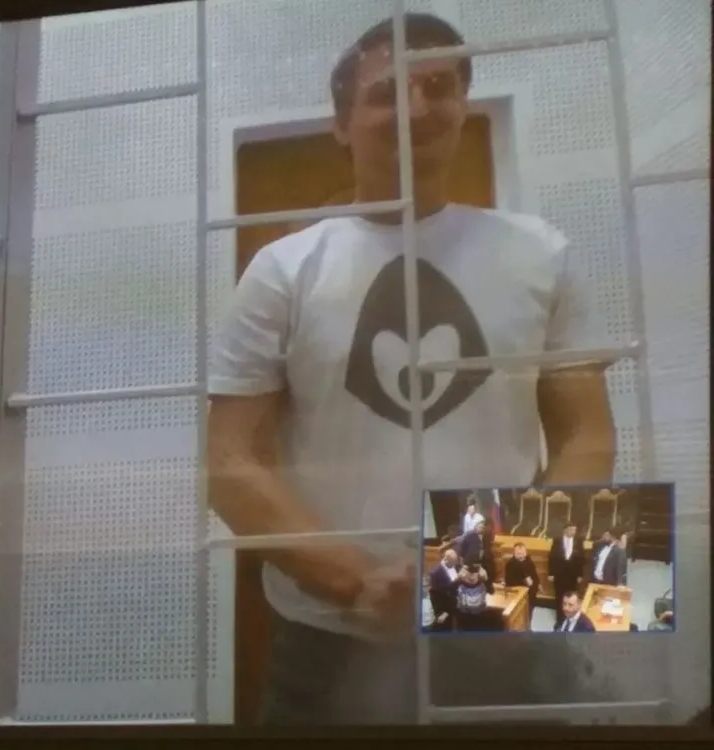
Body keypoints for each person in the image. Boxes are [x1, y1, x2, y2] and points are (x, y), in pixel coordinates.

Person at [206, 12, 615, 725]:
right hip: (327, 637)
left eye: (439, 87)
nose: (417, 108)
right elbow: (227, 463)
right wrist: (362, 583)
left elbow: (589, 437)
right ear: (341, 123)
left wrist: (474, 584)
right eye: (388, 91)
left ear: (464, 105)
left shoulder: (541, 253)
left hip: (507, 625)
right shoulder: (281, 268)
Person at [548, 521, 586, 626]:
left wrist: (580, 574)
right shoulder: (557, 541)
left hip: (572, 575)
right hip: (559, 574)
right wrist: (551, 573)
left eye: (575, 530)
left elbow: (581, 559)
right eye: (571, 530)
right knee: (559, 596)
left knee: (571, 597)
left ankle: (570, 619)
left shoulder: (579, 541)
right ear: (565, 530)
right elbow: (552, 557)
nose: (573, 532)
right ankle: (559, 620)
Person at [427, 548, 461, 631]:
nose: (454, 564)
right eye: (452, 562)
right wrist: (442, 613)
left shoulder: (456, 567)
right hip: (447, 609)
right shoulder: (435, 574)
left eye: (455, 562)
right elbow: (436, 596)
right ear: (446, 559)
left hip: (458, 603)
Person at [503, 541, 540, 606]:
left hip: (531, 592)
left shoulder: (530, 562)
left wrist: (537, 584)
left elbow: (535, 576)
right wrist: (525, 581)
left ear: (526, 552)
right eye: (518, 553)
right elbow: (510, 581)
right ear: (514, 553)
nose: (521, 555)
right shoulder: (510, 564)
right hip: (517, 593)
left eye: (522, 553)